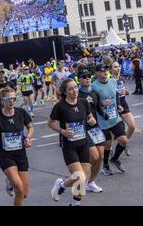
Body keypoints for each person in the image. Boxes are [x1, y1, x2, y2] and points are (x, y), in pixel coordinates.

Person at [48, 78, 97, 206]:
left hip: (83, 143)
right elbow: (50, 123)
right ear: (65, 92)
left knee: (83, 180)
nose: (74, 90)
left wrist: (92, 120)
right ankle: (61, 184)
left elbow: (89, 116)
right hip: (69, 146)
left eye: (75, 87)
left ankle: (75, 204)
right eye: (71, 89)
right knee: (79, 177)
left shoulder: (83, 102)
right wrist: (62, 131)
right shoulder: (60, 106)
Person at [0, 87, 34, 206]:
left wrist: (28, 137)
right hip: (6, 155)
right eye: (8, 99)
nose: (11, 102)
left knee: (24, 193)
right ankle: (12, 182)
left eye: (13, 99)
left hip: (21, 154)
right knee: (19, 189)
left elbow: (30, 127)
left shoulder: (21, 112)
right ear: (2, 100)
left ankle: (10, 182)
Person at [91, 64, 128, 175]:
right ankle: (105, 164)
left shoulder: (113, 81)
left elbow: (115, 94)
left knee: (124, 140)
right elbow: (91, 103)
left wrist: (119, 105)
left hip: (115, 117)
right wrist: (101, 103)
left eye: (106, 70)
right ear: (97, 73)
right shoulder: (94, 86)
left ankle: (115, 159)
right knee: (107, 144)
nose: (105, 72)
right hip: (102, 120)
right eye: (102, 70)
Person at [77, 69, 106, 193]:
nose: (87, 78)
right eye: (84, 77)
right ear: (79, 79)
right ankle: (78, 175)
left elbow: (98, 108)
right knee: (94, 156)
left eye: (89, 76)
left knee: (101, 157)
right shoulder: (76, 94)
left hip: (95, 128)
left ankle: (91, 182)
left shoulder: (94, 93)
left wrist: (104, 114)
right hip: (83, 129)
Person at [111, 62, 136, 157]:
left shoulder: (122, 79)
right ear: (111, 69)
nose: (118, 68)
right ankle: (109, 150)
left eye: (118, 67)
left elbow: (125, 92)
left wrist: (126, 92)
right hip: (114, 107)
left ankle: (124, 144)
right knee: (112, 133)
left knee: (132, 126)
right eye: (115, 67)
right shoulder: (109, 80)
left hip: (123, 104)